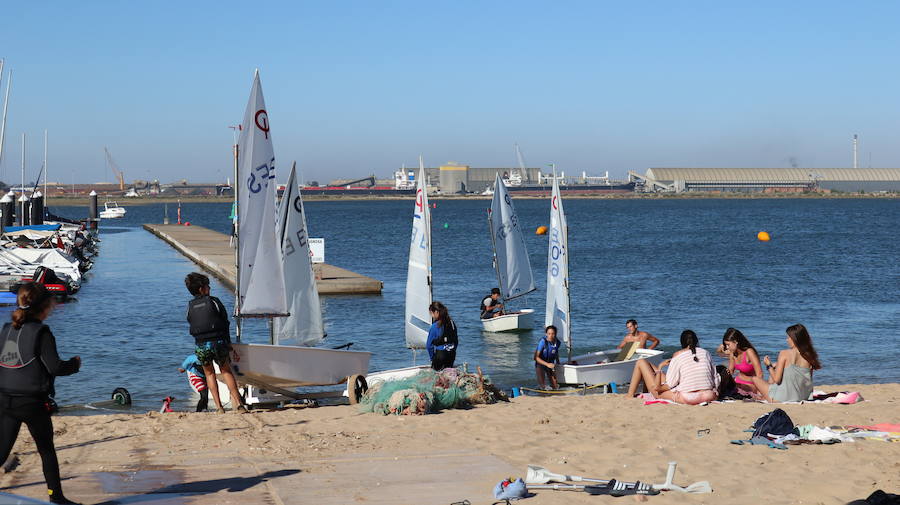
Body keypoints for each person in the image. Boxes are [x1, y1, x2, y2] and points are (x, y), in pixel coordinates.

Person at [0, 283, 81, 504]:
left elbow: (6, 362)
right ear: (45, 307)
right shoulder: (41, 332)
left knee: (2, 449)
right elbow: (54, 367)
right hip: (32, 401)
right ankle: (56, 498)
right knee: (46, 450)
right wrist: (74, 364)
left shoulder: (8, 328)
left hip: (5, 399)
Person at [184, 272, 247, 414]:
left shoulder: (189, 306)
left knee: (209, 375)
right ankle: (240, 405)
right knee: (226, 371)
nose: (209, 288)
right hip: (218, 342)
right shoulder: (214, 301)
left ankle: (219, 408)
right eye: (208, 286)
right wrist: (229, 343)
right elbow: (225, 322)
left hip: (201, 345)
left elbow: (190, 322)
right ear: (201, 289)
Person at [626, 330, 718, 405]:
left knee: (641, 362)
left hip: (688, 397)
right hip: (709, 395)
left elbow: (670, 384)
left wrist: (660, 369)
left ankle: (629, 396)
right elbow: (715, 378)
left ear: (682, 343)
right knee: (656, 371)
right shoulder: (706, 353)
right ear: (696, 341)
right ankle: (646, 389)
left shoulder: (678, 355)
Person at [750, 324, 821, 403]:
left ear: (795, 338)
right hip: (802, 397)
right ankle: (765, 396)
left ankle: (765, 397)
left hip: (782, 398)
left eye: (788, 337)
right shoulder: (809, 356)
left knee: (755, 379)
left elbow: (777, 380)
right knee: (775, 372)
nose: (787, 340)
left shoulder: (784, 353)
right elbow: (805, 380)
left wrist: (768, 365)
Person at [719, 328, 763, 398]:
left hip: (752, 384)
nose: (727, 347)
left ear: (736, 342)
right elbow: (730, 371)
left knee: (735, 389)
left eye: (728, 344)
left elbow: (759, 373)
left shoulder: (749, 352)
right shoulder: (733, 354)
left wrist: (760, 390)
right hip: (738, 381)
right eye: (726, 345)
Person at [426, 301, 458, 370]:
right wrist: (452, 350)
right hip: (451, 355)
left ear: (436, 312)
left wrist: (432, 358)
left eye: (431, 313)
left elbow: (429, 346)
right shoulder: (452, 323)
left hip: (440, 355)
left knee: (436, 377)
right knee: (448, 377)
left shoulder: (434, 326)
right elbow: (456, 341)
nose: (432, 316)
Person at [534, 325, 560, 390]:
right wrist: (547, 364)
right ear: (546, 334)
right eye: (549, 334)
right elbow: (535, 358)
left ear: (556, 334)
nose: (551, 336)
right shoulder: (543, 342)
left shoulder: (558, 342)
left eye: (553, 334)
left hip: (550, 364)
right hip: (540, 364)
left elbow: (555, 352)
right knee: (543, 386)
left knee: (555, 386)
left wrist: (558, 362)